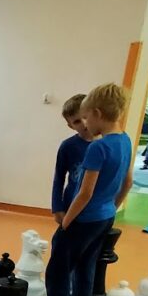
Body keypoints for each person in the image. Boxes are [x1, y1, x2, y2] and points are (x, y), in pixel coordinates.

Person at [34, 83, 133, 296]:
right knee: (87, 268)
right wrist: (111, 208)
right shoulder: (125, 139)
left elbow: (85, 193)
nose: (85, 124)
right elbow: (128, 182)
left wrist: (67, 221)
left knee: (57, 270)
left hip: (83, 218)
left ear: (97, 113)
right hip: (105, 217)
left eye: (86, 117)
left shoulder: (98, 147)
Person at [51, 93, 93, 225]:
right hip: (71, 205)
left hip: (95, 209)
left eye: (85, 117)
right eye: (77, 121)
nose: (84, 124)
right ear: (71, 126)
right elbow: (59, 178)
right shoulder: (67, 146)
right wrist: (57, 207)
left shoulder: (106, 144)